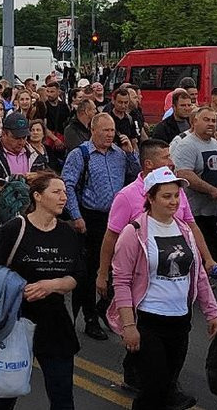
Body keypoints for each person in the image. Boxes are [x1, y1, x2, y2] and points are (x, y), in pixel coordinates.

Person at [108, 167, 217, 410]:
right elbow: (122, 281)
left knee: (168, 385)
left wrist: (212, 311)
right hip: (149, 320)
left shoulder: (184, 230)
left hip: (180, 319)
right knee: (153, 387)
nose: (173, 202)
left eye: (176, 196)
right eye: (166, 196)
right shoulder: (134, 232)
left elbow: (198, 273)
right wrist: (129, 326)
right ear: (150, 197)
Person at [0, 171, 82, 410]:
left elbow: (77, 277)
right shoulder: (15, 228)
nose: (63, 198)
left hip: (55, 323)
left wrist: (53, 285)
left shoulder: (68, 234)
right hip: (16, 320)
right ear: (37, 196)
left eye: (65, 193)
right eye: (56, 192)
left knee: (62, 396)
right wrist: (19, 287)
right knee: (6, 394)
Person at [61, 113, 140, 340]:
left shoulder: (119, 155)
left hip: (116, 219)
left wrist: (130, 152)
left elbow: (135, 175)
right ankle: (89, 317)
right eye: (104, 130)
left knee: (119, 270)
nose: (109, 135)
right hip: (91, 218)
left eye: (112, 130)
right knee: (89, 271)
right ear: (93, 131)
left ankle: (103, 307)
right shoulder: (81, 154)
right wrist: (76, 216)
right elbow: (68, 184)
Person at [170, 106, 217, 293]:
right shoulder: (187, 144)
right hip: (195, 213)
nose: (211, 124)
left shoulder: (215, 144)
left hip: (215, 211)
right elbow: (184, 174)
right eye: (206, 120)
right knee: (201, 254)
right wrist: (211, 190)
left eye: (214, 120)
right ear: (194, 121)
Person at [0, 113, 48, 240]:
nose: (21, 142)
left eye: (24, 137)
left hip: (30, 224)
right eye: (17, 138)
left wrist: (40, 178)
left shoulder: (36, 156)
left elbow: (50, 182)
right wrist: (1, 183)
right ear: (4, 134)